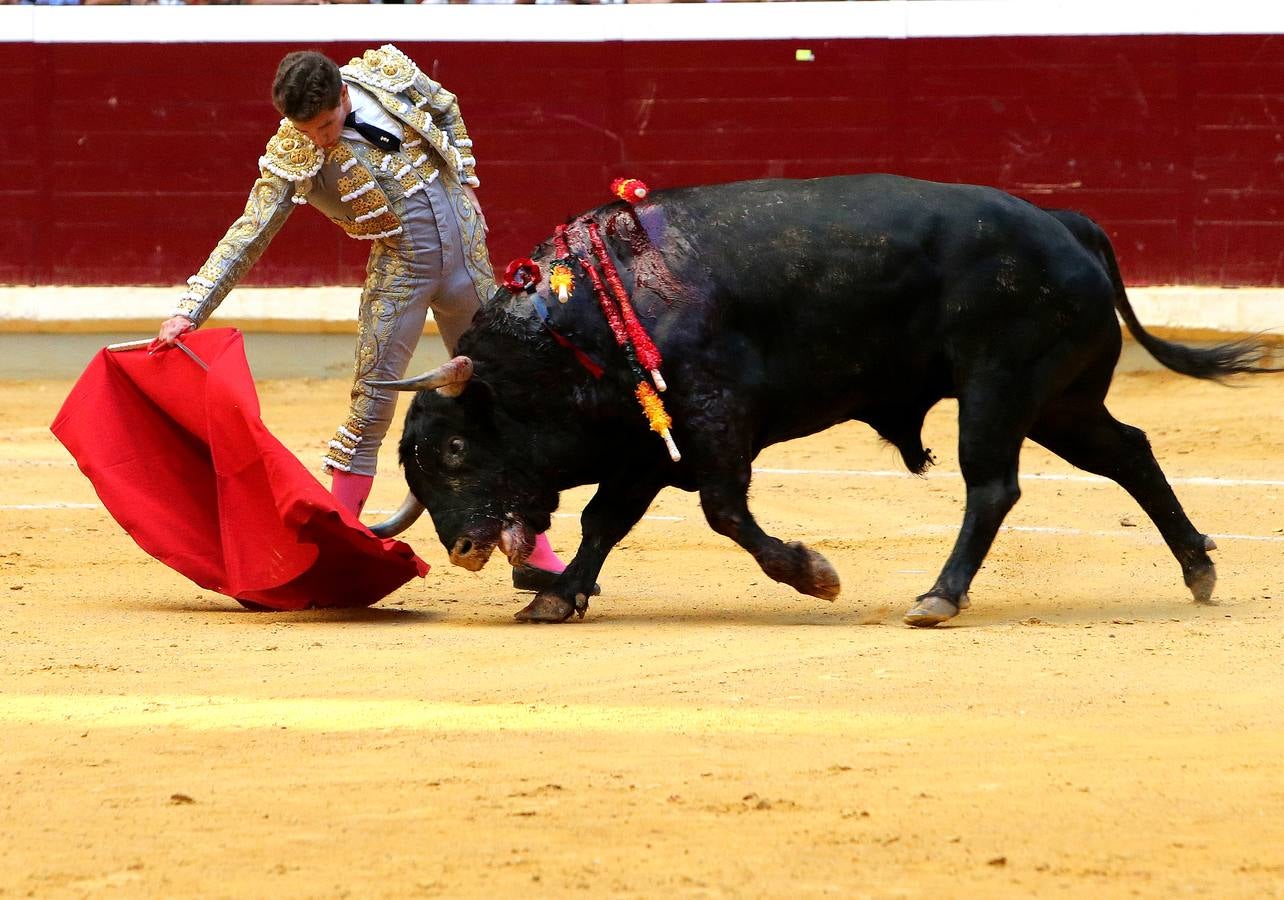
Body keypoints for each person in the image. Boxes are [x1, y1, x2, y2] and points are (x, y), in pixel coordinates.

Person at [155, 44, 569, 586]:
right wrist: (191, 309)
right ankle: (339, 550)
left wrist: (464, 169)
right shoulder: (294, 153)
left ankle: (533, 552)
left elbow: (445, 105)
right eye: (309, 130)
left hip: (469, 258)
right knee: (372, 402)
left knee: (500, 398)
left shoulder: (384, 76)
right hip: (401, 272)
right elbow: (248, 234)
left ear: (343, 94)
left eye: (327, 124)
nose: (321, 140)